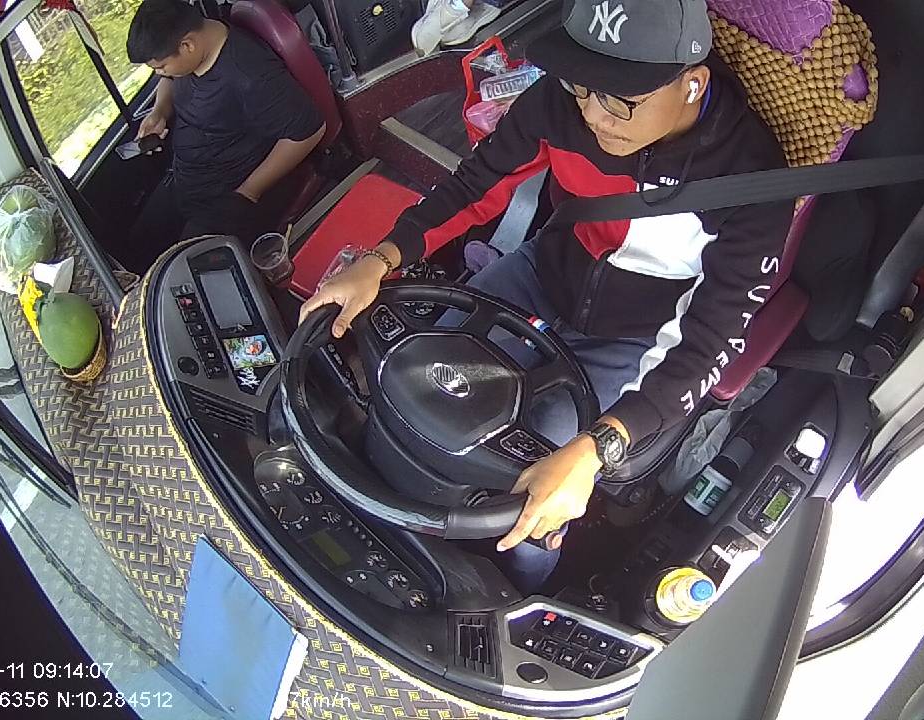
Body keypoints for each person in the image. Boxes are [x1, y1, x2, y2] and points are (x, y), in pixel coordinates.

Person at [300, 0, 792, 591]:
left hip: (637, 338)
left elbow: (710, 340)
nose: (595, 116)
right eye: (583, 88)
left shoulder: (753, 183)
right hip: (542, 271)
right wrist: (380, 259)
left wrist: (597, 448)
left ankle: (518, 589)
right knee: (419, 378)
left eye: (620, 99)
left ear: (692, 85)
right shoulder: (559, 105)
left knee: (537, 488)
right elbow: (475, 184)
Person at [122, 0, 326, 271]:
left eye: (160, 66)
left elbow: (309, 130)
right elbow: (169, 80)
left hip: (225, 194)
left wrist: (249, 191)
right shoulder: (191, 53)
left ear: (187, 45)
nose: (159, 73)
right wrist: (159, 111)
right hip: (185, 177)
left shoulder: (249, 75)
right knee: (136, 246)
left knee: (184, 273)